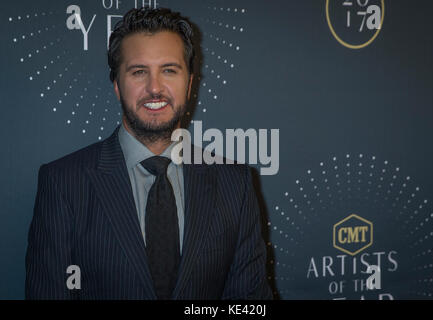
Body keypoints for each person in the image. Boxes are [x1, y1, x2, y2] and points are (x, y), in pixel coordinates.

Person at [25, 7, 273, 300]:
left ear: (190, 83)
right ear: (117, 85)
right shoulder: (63, 183)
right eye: (139, 71)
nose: (155, 88)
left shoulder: (235, 184)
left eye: (169, 70)